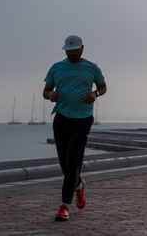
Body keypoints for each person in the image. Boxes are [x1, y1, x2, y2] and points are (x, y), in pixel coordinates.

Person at [43, 35, 107, 221]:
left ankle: (65, 205)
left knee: (72, 163)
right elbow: (46, 91)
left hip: (82, 120)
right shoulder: (56, 67)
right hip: (62, 118)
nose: (71, 53)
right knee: (64, 163)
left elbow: (103, 87)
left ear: (82, 48)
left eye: (74, 49)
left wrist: (95, 94)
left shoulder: (92, 68)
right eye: (68, 50)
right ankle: (78, 186)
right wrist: (51, 95)